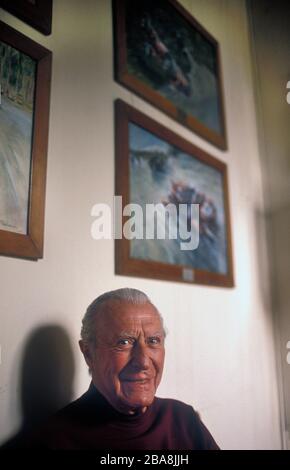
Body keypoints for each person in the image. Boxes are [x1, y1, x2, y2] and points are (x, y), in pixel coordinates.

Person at [19, 288, 219, 450]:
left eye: (153, 341)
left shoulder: (182, 420)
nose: (143, 361)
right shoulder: (53, 440)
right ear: (89, 353)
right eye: (124, 342)